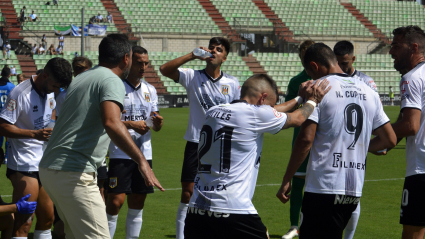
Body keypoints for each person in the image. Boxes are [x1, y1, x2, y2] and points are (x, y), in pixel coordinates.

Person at [39, 34, 164, 239]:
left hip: (51, 169)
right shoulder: (111, 80)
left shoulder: (82, 78)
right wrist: (141, 161)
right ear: (126, 58)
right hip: (73, 172)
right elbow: (112, 122)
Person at [184, 73, 330, 239]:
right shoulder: (256, 115)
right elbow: (297, 119)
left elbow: (269, 111)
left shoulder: (213, 111)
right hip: (233, 209)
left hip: (196, 209)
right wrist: (312, 100)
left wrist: (299, 99)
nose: (270, 110)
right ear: (263, 98)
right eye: (269, 105)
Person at [276, 43, 397, 239]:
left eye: (309, 72)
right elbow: (390, 139)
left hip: (324, 188)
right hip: (353, 191)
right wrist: (361, 148)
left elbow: (305, 140)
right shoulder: (368, 90)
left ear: (314, 66)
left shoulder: (319, 89)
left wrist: (286, 179)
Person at [160, 37, 241, 239]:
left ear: (225, 57)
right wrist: (191, 55)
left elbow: (238, 113)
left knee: (219, 192)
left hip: (221, 147)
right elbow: (164, 69)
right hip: (196, 143)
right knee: (187, 193)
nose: (213, 51)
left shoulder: (232, 83)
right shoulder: (192, 76)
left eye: (219, 49)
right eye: (211, 48)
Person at [0, 57, 72, 239]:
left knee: (47, 219)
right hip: (23, 164)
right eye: (56, 86)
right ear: (45, 75)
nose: (57, 91)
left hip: (44, 162)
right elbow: (3, 126)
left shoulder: (49, 92)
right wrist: (34, 134)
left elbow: (50, 116)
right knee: (24, 223)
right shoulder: (20, 93)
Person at [106, 46, 163, 239]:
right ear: (128, 61)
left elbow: (153, 123)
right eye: (139, 63)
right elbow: (107, 121)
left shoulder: (150, 90)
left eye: (146, 63)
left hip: (144, 153)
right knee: (115, 202)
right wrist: (131, 124)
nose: (143, 67)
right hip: (119, 152)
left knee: (138, 200)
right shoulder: (116, 86)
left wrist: (157, 122)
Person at [388, 25, 425, 239]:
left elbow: (411, 125)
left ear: (413, 47)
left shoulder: (412, 77)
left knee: (413, 233)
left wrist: (373, 139)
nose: (391, 52)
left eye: (396, 46)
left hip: (421, 170)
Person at [52, 56, 94, 239]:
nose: (81, 73)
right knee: (65, 211)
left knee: (92, 202)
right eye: (77, 69)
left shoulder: (93, 92)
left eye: (84, 69)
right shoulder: (65, 95)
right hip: (69, 156)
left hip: (89, 155)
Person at [281, 39, 314, 239]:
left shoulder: (327, 80)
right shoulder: (296, 82)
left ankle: (309, 225)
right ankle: (294, 225)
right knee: (298, 184)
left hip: (322, 143)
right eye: (303, 57)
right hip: (300, 139)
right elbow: (289, 111)